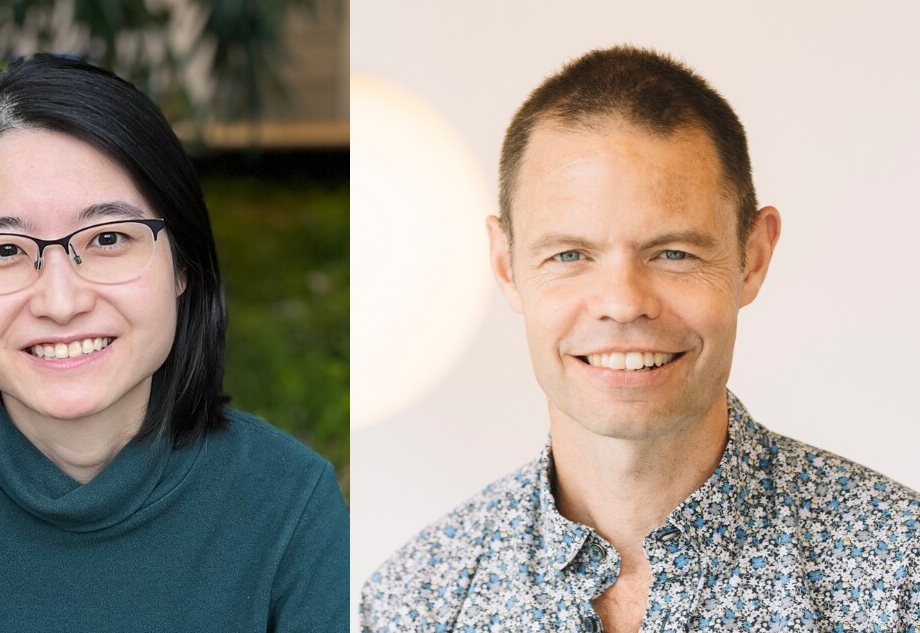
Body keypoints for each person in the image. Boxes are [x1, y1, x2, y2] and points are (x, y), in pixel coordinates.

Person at [361, 47, 920, 631]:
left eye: (674, 253)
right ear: (506, 267)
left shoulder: (901, 574)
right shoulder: (412, 603)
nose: (623, 303)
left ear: (751, 259)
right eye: (570, 254)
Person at [0, 55, 349, 632]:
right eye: (5, 250)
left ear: (184, 264)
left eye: (108, 237)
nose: (60, 302)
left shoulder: (289, 507)